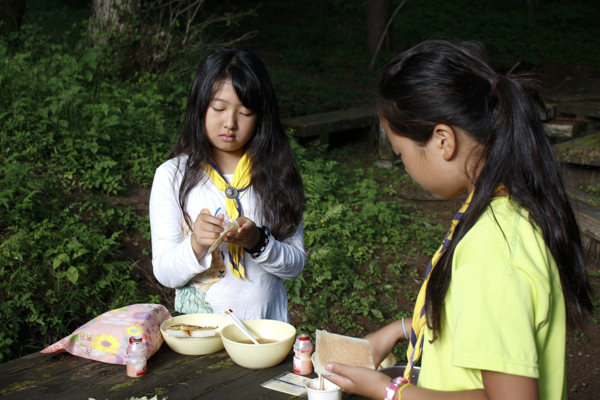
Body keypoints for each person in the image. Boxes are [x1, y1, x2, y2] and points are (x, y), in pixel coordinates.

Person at [325, 40, 594, 400]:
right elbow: (484, 322)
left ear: (442, 140)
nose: (403, 166)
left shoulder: (493, 249)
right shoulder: (502, 211)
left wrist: (391, 391)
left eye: (400, 153)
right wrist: (401, 329)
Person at [149, 48, 306, 322]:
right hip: (200, 335)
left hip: (265, 334)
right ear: (199, 107)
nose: (230, 123)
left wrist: (258, 242)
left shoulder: (277, 175)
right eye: (219, 108)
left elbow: (294, 265)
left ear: (262, 116)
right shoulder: (171, 176)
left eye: (245, 112)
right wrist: (196, 243)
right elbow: (164, 272)